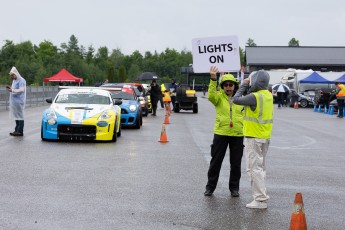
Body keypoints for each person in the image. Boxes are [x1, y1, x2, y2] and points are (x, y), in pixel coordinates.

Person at [232, 70, 273, 209]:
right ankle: (260, 196)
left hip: (254, 138)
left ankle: (260, 199)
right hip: (264, 137)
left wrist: (244, 84)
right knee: (260, 169)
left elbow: (235, 99)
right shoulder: (267, 95)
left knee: (253, 169)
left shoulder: (255, 96)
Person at [204, 66, 244, 198]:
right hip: (221, 133)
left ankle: (234, 188)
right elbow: (210, 95)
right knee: (215, 162)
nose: (228, 87)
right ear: (222, 86)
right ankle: (210, 187)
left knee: (236, 164)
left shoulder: (241, 99)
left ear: (234, 86)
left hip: (237, 134)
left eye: (230, 85)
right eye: (226, 85)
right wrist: (213, 79)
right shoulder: (218, 98)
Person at [7, 67, 27, 136]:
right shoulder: (14, 81)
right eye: (11, 75)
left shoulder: (22, 80)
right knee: (16, 116)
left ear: (16, 74)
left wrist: (12, 90)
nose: (12, 77)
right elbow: (15, 89)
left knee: (20, 116)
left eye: (12, 75)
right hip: (14, 102)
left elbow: (21, 90)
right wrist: (11, 89)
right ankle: (16, 130)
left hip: (19, 101)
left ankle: (20, 131)